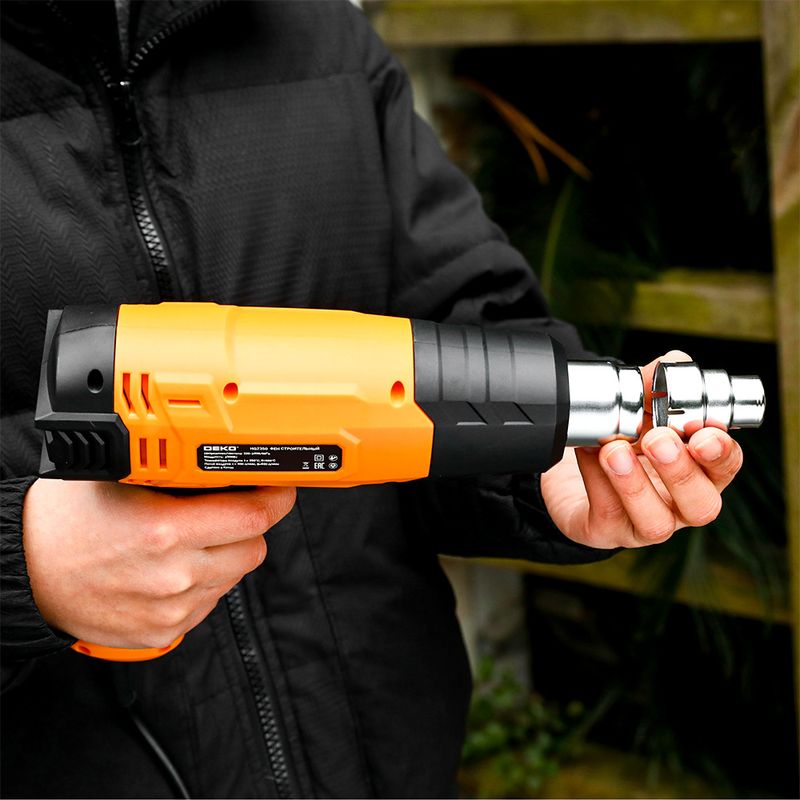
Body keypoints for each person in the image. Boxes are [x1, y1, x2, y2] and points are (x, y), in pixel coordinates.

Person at [0, 1, 743, 797]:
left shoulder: (316, 31)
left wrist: (546, 459)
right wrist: (20, 565)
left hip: (384, 762)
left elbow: (462, 325)